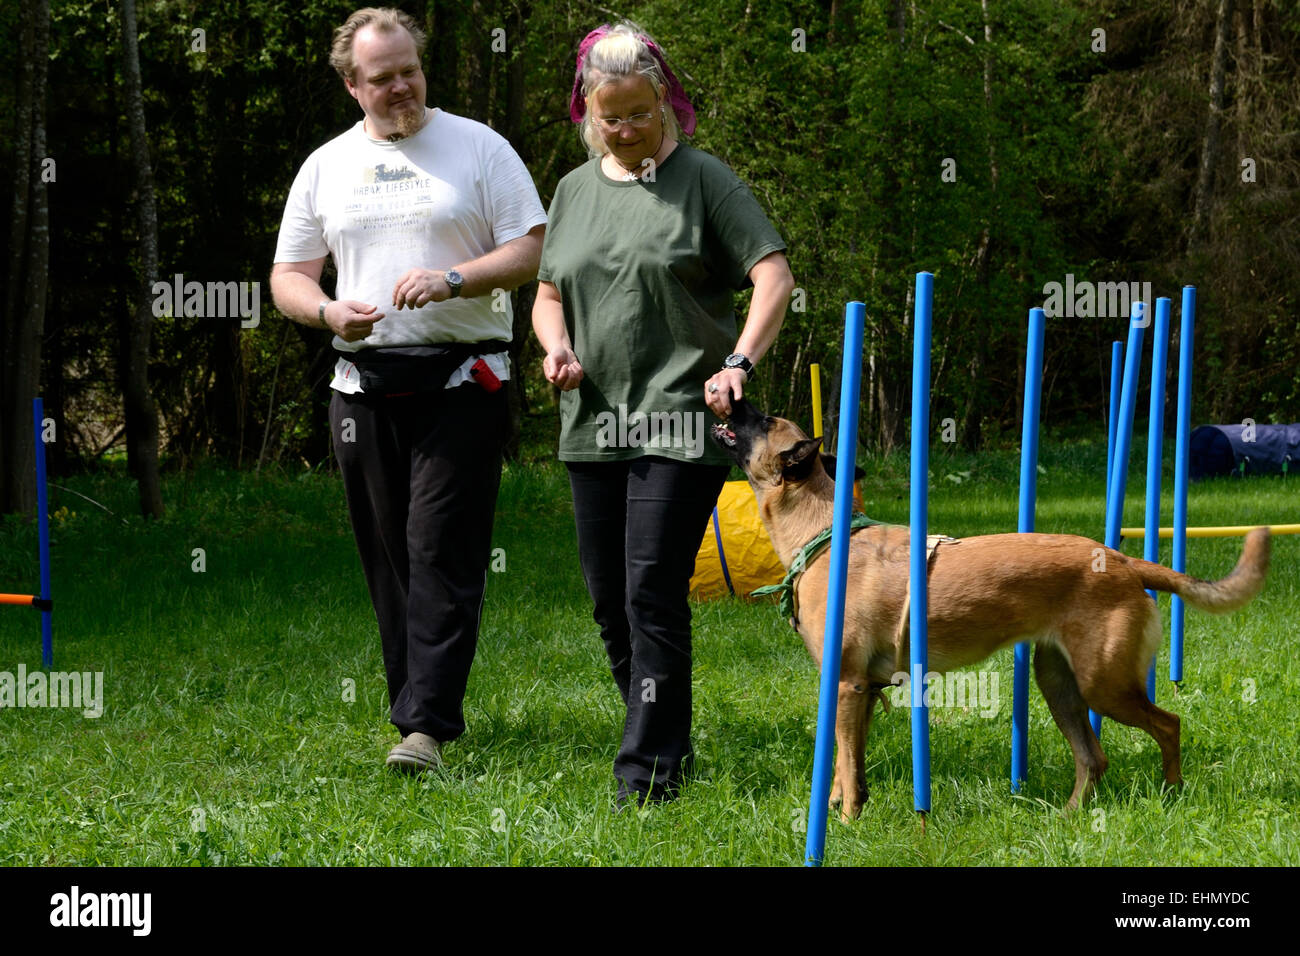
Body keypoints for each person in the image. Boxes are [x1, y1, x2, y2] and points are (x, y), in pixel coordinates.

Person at [270, 7, 546, 773]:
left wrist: (456, 277)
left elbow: (531, 247)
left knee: (440, 544)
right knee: (390, 552)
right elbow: (288, 276)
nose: (401, 87)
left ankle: (426, 726)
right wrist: (327, 311)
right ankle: (412, 710)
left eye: (409, 70)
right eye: (382, 76)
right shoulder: (325, 166)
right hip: (361, 383)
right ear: (352, 85)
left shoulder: (479, 146)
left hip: (465, 376)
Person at [532, 23, 795, 807]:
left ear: (665, 102)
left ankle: (646, 778)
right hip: (592, 420)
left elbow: (773, 276)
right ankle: (656, 730)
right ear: (588, 111)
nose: (624, 130)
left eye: (638, 113)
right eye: (609, 116)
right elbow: (549, 292)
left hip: (680, 418)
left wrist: (738, 363)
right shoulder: (575, 190)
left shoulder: (704, 179)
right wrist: (555, 347)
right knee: (610, 602)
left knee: (651, 591)